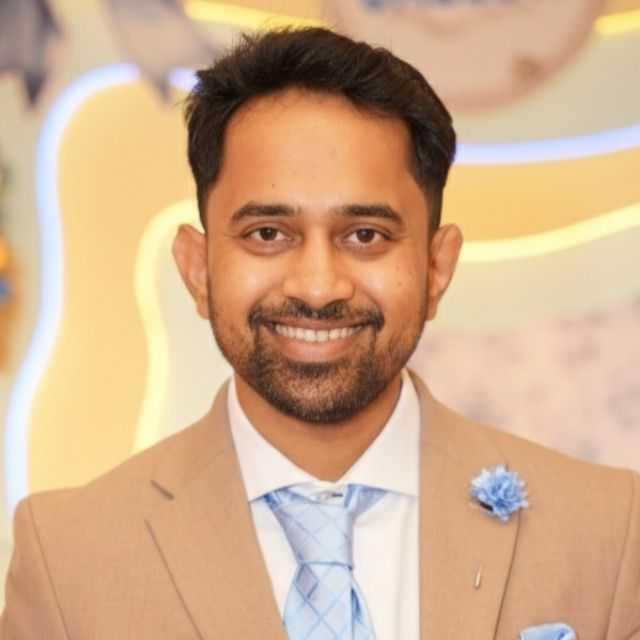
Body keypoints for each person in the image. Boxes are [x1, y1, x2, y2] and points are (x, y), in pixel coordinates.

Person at [1, 27, 639, 640]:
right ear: (197, 269)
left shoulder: (607, 533)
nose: (316, 287)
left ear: (437, 266)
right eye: (267, 234)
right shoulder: (69, 557)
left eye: (365, 235)